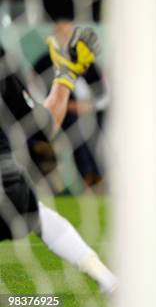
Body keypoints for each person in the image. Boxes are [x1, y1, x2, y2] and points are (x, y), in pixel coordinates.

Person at [0, 27, 116, 293]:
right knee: (37, 215)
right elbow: (41, 129)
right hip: (9, 187)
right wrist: (66, 76)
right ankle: (108, 280)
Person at [33, 20, 106, 187]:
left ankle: (98, 174)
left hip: (90, 112)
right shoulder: (44, 63)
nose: (65, 37)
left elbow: (103, 95)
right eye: (62, 33)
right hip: (60, 114)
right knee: (75, 123)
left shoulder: (87, 61)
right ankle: (89, 175)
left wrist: (87, 106)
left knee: (94, 123)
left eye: (68, 33)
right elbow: (35, 93)